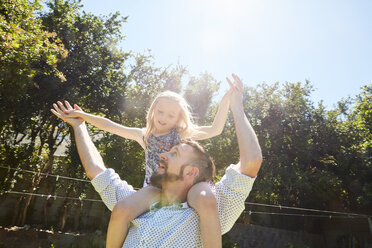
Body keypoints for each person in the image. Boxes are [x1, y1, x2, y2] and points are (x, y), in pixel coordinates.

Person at [51, 73, 262, 248]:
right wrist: (82, 118)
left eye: (170, 115)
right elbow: (110, 126)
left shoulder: (182, 134)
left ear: (178, 119)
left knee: (205, 197)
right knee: (123, 209)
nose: (163, 118)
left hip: (187, 189)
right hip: (154, 188)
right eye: (160, 112)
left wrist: (227, 102)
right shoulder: (144, 135)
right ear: (152, 111)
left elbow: (216, 129)